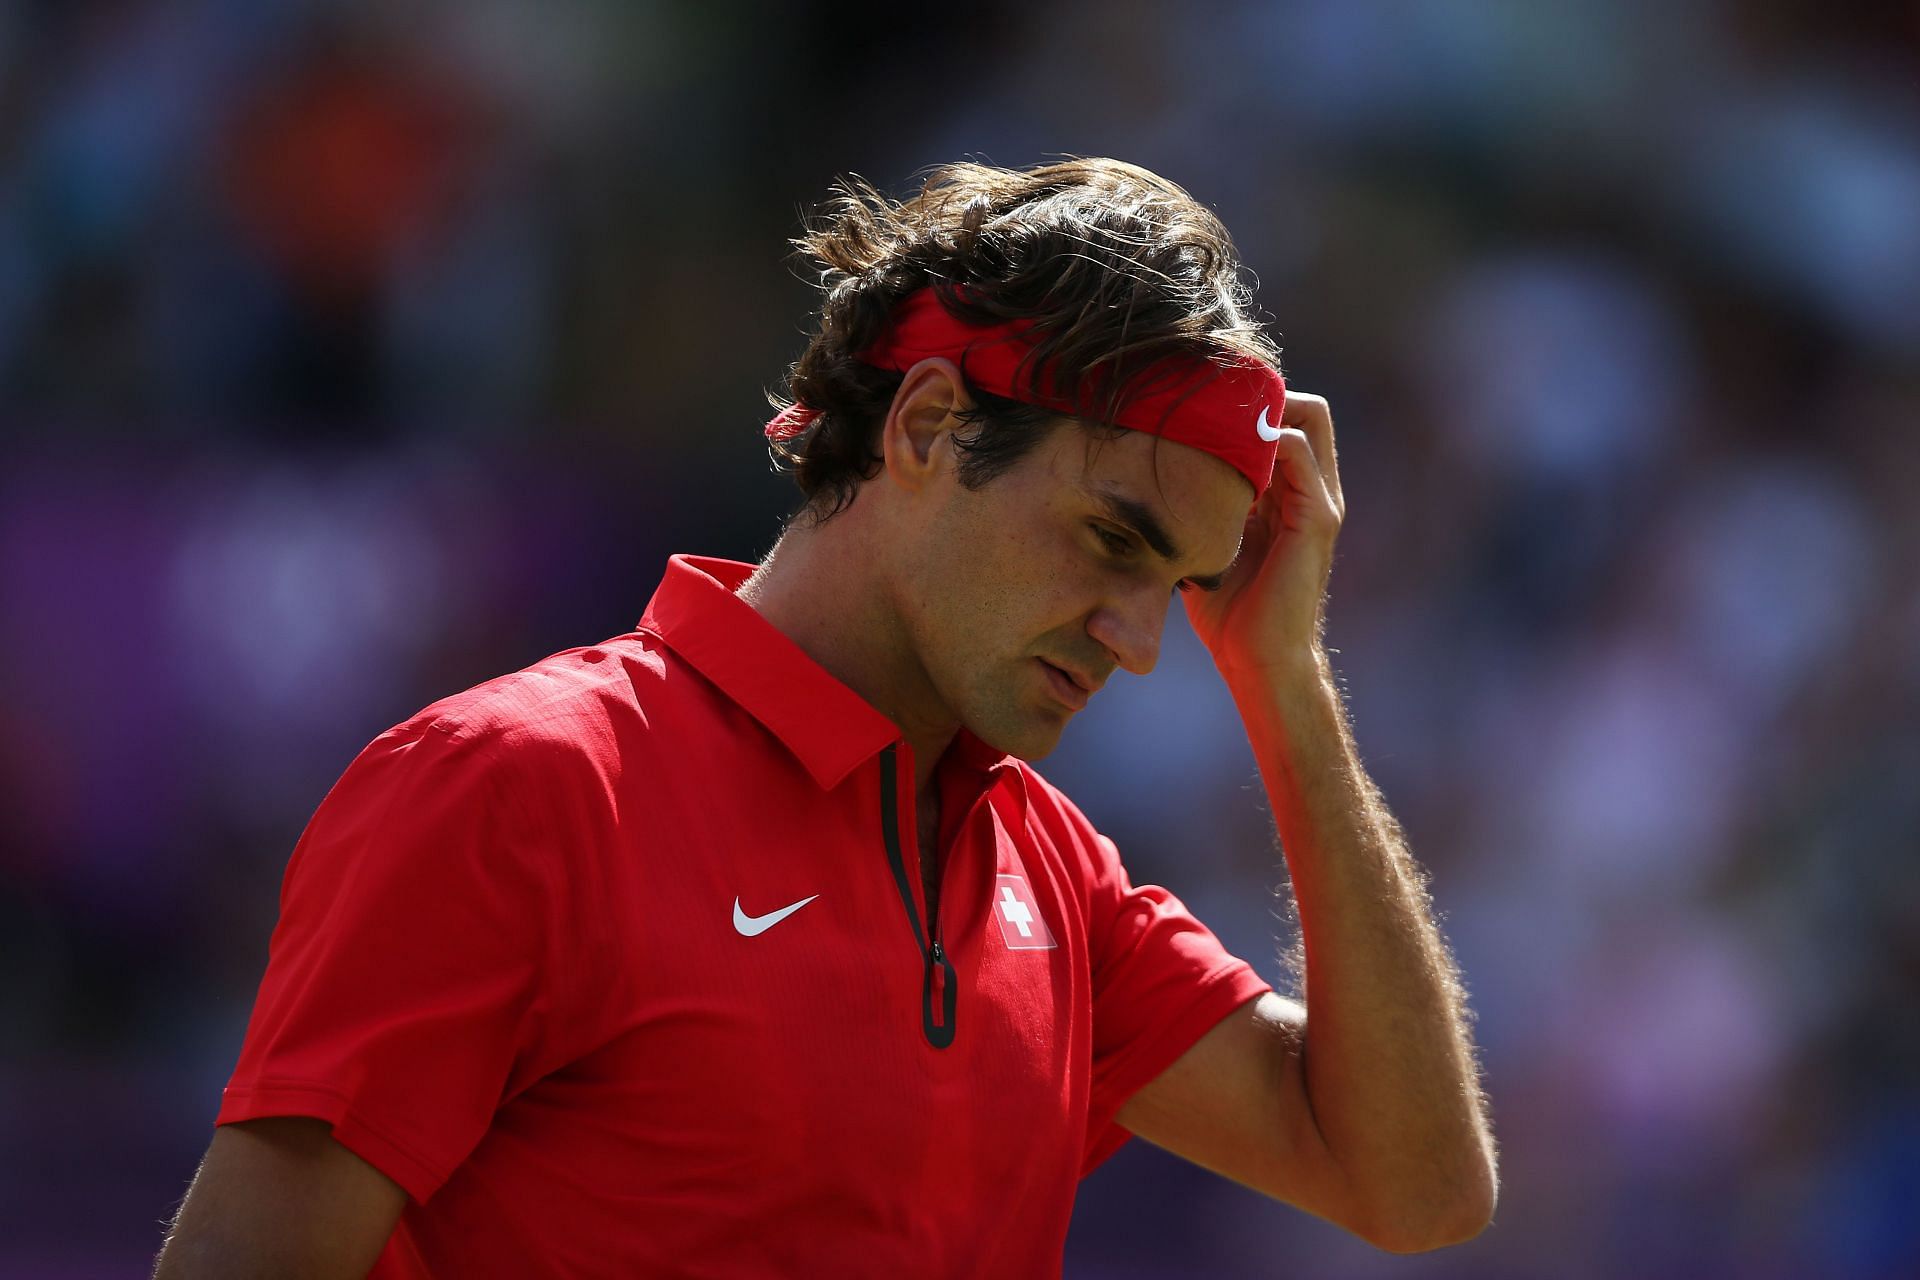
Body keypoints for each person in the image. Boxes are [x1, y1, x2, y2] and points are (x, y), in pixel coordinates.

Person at [154, 158, 1496, 1278]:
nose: (1140, 645)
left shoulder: (1053, 877)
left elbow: (1417, 1191)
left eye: (1177, 584)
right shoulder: (518, 783)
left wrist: (1288, 681)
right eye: (1109, 540)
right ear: (924, 426)